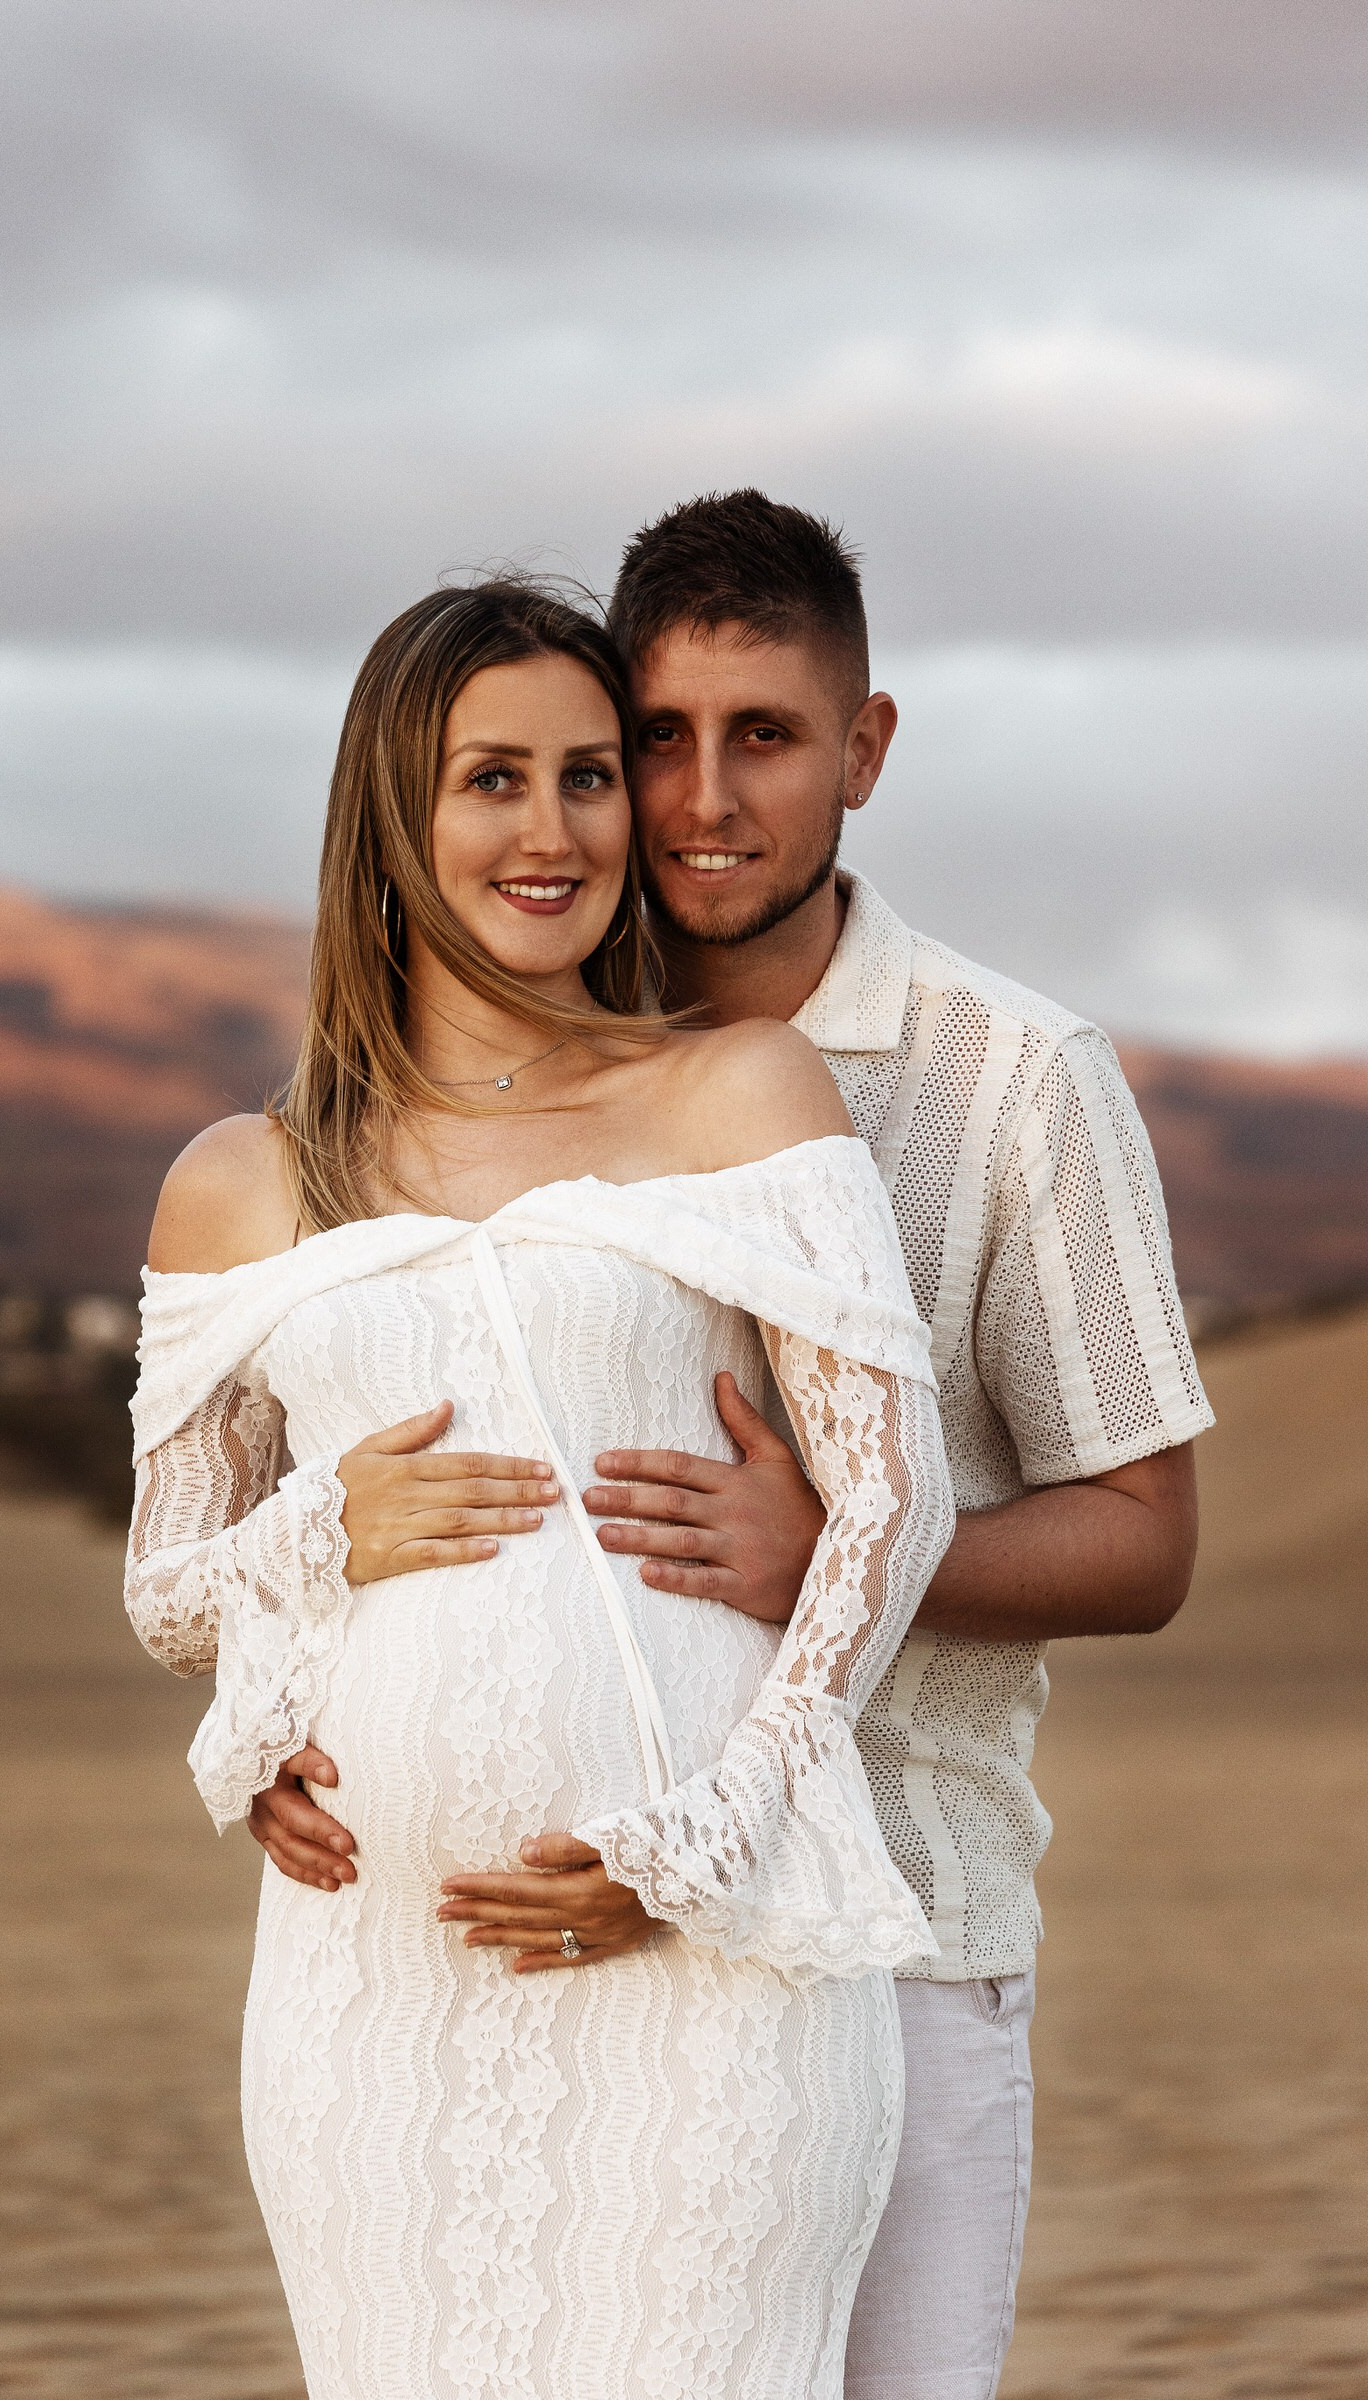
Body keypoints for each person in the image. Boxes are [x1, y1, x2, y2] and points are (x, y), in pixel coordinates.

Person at [253, 498, 1215, 2400]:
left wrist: (833, 1550)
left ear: (863, 749)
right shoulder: (510, 1059)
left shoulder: (1012, 1078)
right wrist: (292, 1703)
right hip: (511, 1955)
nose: (699, 800)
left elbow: (1146, 1535)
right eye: (657, 740)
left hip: (894, 1931)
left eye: (764, 736)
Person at [126, 578, 956, 2398]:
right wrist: (317, 1539)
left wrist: (695, 1850)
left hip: (712, 1961)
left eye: (588, 777)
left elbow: (896, 1510)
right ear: (392, 813)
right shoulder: (241, 1180)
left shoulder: (740, 1093)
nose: (555, 829)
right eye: (491, 779)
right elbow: (170, 1589)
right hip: (372, 1990)